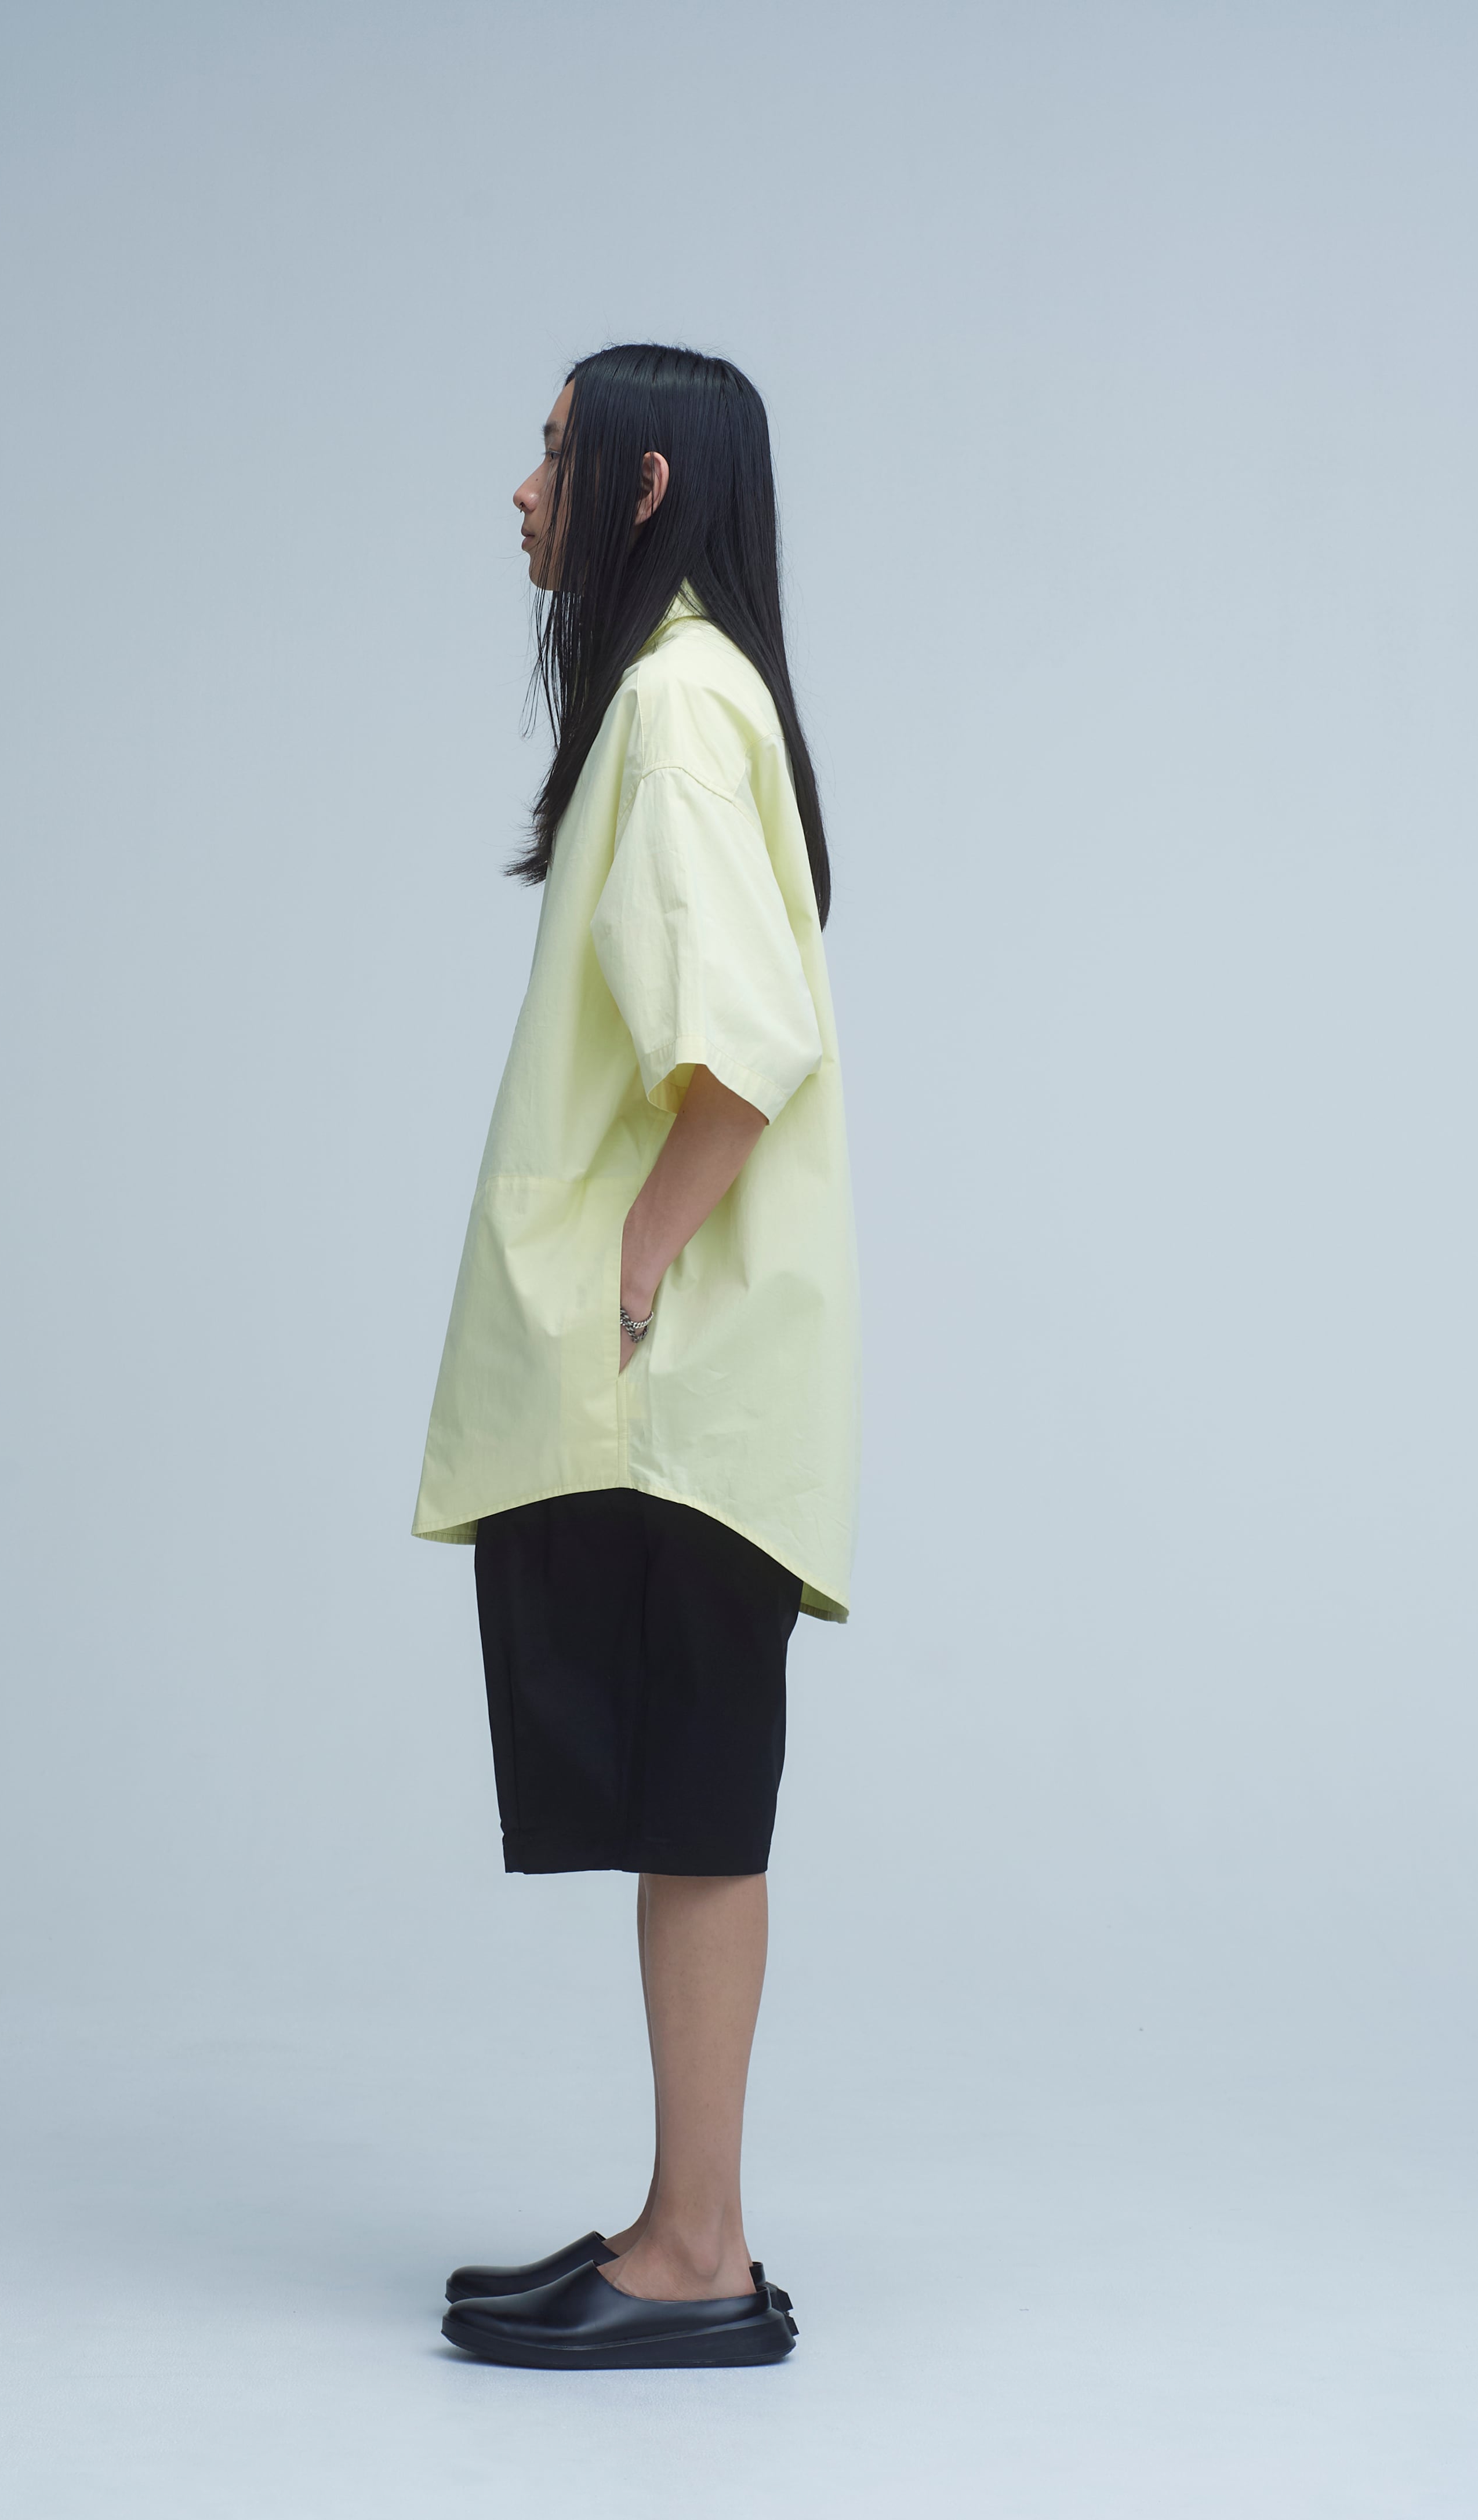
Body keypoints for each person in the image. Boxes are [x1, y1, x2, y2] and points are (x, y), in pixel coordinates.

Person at [413, 343, 858, 2372]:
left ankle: (700, 2261)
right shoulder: (698, 694)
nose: (523, 492)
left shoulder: (675, 706)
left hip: (669, 1397)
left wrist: (632, 1273)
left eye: (554, 453)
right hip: (695, 1395)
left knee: (697, 1812)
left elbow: (742, 1048)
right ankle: (687, 2228)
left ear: (647, 483)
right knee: (693, 1805)